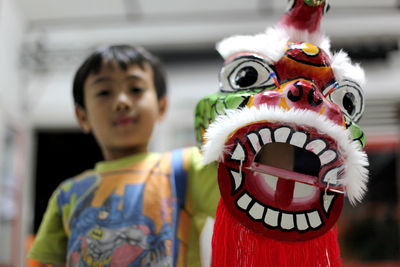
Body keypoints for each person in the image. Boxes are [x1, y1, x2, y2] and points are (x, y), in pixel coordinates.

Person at [28, 45, 219, 267]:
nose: (122, 102)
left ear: (161, 106)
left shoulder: (186, 167)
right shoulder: (68, 194)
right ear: (83, 116)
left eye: (136, 89)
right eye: (104, 92)